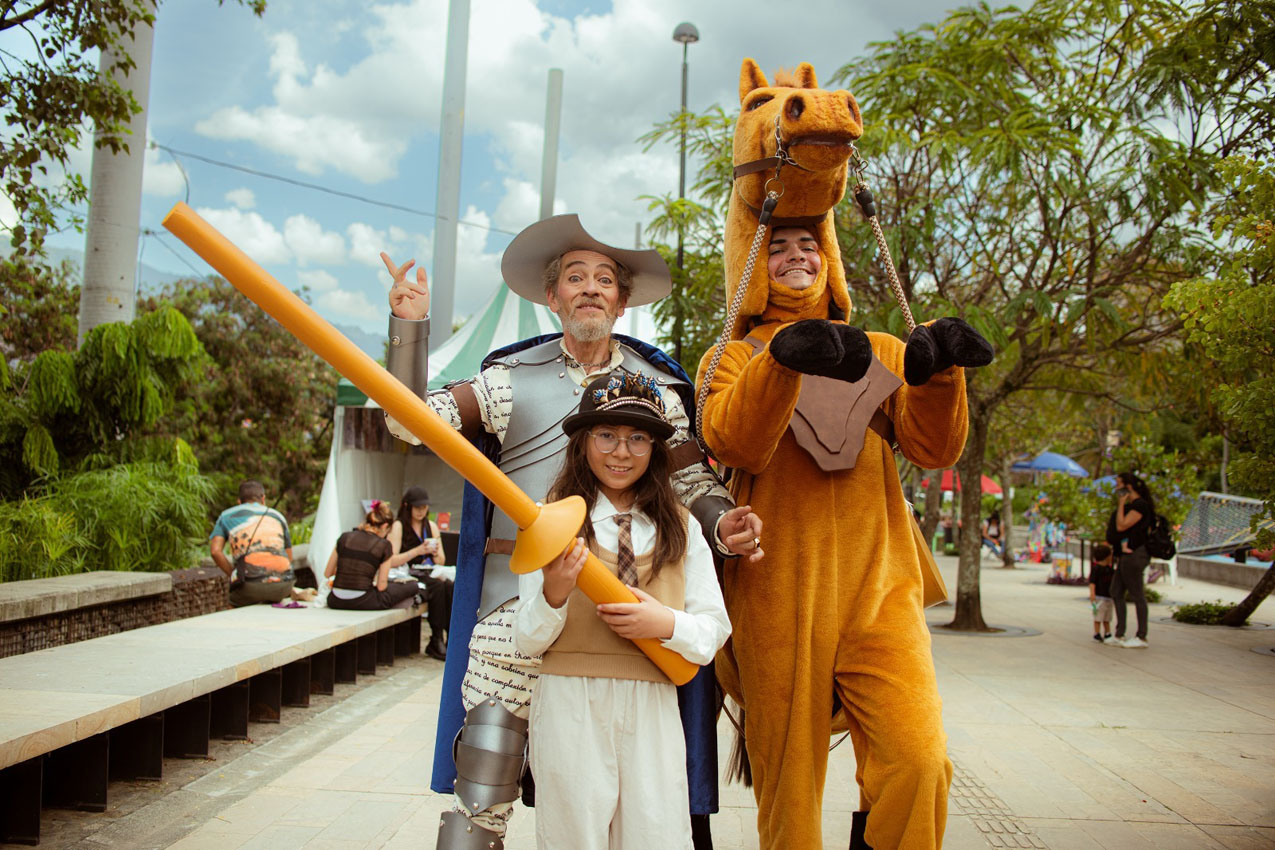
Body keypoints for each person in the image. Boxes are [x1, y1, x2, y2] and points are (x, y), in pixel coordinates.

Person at [381, 214, 762, 850]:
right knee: (483, 790)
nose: (590, 288)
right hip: (517, 607)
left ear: (621, 298)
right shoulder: (508, 381)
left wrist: (725, 525)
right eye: (575, 277)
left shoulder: (658, 393)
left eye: (604, 279)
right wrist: (409, 329)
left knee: (644, 804)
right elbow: (408, 424)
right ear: (552, 296)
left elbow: (691, 487)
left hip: (627, 614)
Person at [698, 219, 992, 850]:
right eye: (777, 247)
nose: (796, 256)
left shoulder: (883, 348)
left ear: (831, 261)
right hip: (773, 588)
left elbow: (935, 447)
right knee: (789, 788)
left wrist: (941, 375)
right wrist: (780, 363)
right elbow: (734, 442)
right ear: (751, 267)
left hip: (880, 584)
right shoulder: (729, 356)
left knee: (919, 760)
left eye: (810, 246)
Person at [515, 373, 731, 850]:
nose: (621, 452)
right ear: (582, 442)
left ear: (656, 448)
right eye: (606, 435)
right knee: (573, 836)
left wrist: (665, 623)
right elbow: (525, 639)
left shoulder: (683, 527)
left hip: (653, 707)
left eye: (638, 439)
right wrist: (553, 593)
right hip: (571, 704)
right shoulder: (549, 520)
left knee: (656, 835)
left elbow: (715, 626)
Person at [388, 485, 452, 660]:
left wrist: (435, 551)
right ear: (408, 506)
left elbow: (442, 560)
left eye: (424, 508)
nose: (421, 511)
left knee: (449, 585)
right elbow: (391, 560)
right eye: (417, 507)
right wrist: (416, 551)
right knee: (438, 586)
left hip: (429, 570)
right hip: (406, 573)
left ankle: (449, 635)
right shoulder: (399, 526)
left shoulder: (431, 526)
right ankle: (436, 636)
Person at [209, 480, 294, 607]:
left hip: (248, 586)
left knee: (233, 603)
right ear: (263, 499)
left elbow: (215, 551)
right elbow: (289, 557)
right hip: (283, 585)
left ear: (239, 501)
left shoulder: (226, 516)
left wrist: (233, 573)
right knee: (272, 597)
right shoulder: (278, 516)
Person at [324, 501, 418, 610]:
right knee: (412, 586)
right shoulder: (383, 545)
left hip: (335, 599)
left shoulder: (344, 538)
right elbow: (381, 586)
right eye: (388, 532)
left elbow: (328, 573)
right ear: (385, 526)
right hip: (362, 600)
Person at [1105, 472, 1154, 648]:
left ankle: (1142, 636)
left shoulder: (1140, 506)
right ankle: (1120, 633)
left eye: (1119, 483)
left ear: (1129, 486)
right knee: (1116, 590)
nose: (1116, 487)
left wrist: (1121, 503)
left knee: (1136, 594)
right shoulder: (1134, 505)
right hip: (1126, 555)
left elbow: (1122, 525)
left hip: (1135, 555)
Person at [1088, 543, 1116, 642]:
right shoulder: (1096, 569)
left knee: (1107, 617)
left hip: (1108, 597)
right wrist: (1092, 594)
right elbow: (1092, 582)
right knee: (1098, 616)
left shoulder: (1110, 570)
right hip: (1099, 597)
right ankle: (1097, 633)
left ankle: (1107, 633)